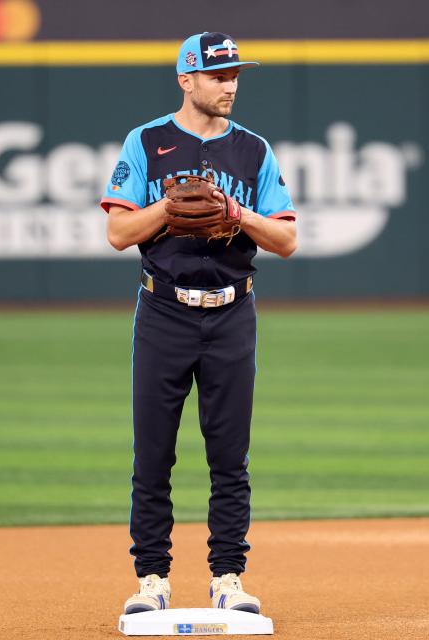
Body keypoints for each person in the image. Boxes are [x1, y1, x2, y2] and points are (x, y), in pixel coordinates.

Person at [100, 31, 297, 616]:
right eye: (218, 76)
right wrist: (170, 206)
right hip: (163, 311)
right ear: (187, 80)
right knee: (153, 453)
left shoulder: (255, 151)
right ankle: (152, 579)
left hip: (233, 312)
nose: (230, 85)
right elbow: (117, 234)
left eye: (235, 75)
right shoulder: (147, 141)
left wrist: (235, 212)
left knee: (229, 455)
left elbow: (286, 239)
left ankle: (228, 577)